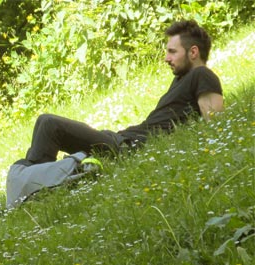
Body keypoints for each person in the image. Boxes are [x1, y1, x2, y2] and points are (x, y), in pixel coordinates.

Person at [20, 19, 224, 166]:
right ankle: (31, 181)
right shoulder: (181, 80)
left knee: (49, 123)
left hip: (128, 148)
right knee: (42, 122)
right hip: (121, 139)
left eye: (172, 51)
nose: (166, 58)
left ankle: (33, 190)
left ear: (193, 52)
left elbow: (216, 126)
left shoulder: (202, 75)